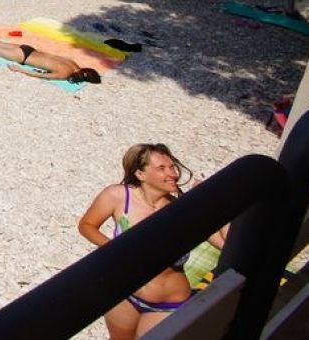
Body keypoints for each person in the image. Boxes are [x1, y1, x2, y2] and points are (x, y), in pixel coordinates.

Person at [77, 144, 226, 339]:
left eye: (172, 167)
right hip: (124, 295)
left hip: (167, 303)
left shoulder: (185, 209)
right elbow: (87, 225)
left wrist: (213, 201)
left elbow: (226, 242)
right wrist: (115, 249)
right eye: (162, 168)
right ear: (140, 174)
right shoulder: (119, 196)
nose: (173, 173)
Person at [0, 27, 101, 83]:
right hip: (22, 58)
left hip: (29, 50)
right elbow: (43, 76)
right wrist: (21, 70)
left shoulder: (73, 63)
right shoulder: (64, 73)